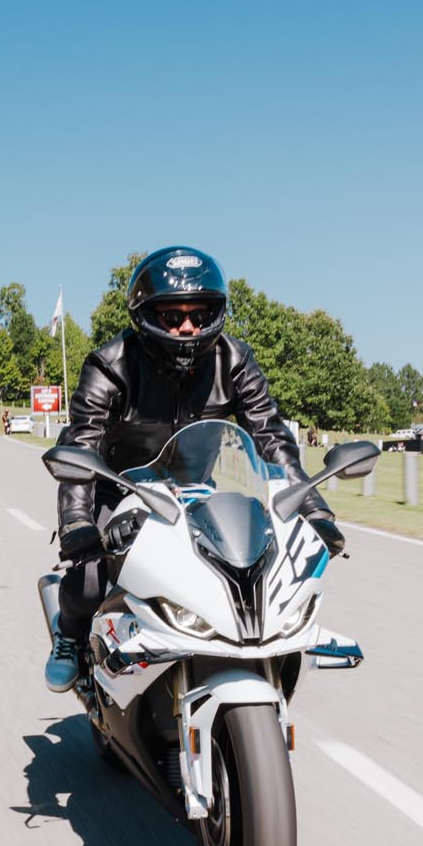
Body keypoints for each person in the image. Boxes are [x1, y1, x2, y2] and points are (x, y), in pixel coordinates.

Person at [43, 246, 344, 691]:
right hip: (117, 488)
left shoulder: (235, 360)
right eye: (172, 315)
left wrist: (313, 508)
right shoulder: (110, 365)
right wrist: (76, 523)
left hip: (192, 490)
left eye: (199, 314)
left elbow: (271, 436)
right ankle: (69, 637)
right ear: (145, 314)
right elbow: (80, 442)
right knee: (90, 578)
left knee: (245, 569)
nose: (188, 325)